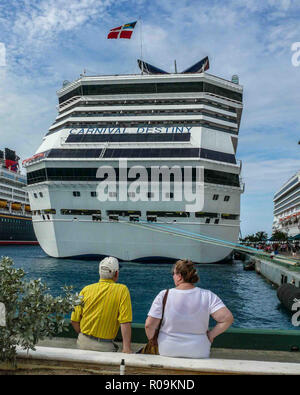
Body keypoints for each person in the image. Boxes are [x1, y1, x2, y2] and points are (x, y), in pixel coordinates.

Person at [145, 259, 234, 359]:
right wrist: (211, 335)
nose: (173, 276)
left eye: (173, 273)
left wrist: (154, 342)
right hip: (199, 351)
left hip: (168, 349)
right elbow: (227, 318)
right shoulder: (207, 295)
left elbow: (149, 325)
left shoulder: (164, 295)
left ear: (179, 276)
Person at [71, 256, 132, 353]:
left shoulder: (85, 290)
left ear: (100, 272)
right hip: (105, 346)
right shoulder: (122, 290)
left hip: (82, 342)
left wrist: (84, 336)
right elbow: (125, 322)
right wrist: (127, 348)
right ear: (116, 273)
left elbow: (74, 320)